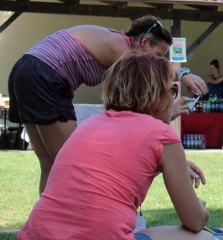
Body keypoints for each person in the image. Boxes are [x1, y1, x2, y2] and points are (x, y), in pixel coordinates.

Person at [16, 53, 217, 240]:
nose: (175, 96)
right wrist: (201, 209)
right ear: (159, 92)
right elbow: (193, 222)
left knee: (93, 223)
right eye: (172, 89)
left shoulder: (89, 125)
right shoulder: (162, 136)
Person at [7, 15, 207, 193]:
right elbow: (143, 98)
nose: (158, 62)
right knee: (70, 163)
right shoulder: (123, 50)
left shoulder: (118, 42)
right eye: (158, 55)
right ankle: (65, 218)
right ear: (145, 41)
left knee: (50, 163)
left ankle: (46, 218)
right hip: (44, 75)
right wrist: (183, 74)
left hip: (25, 70)